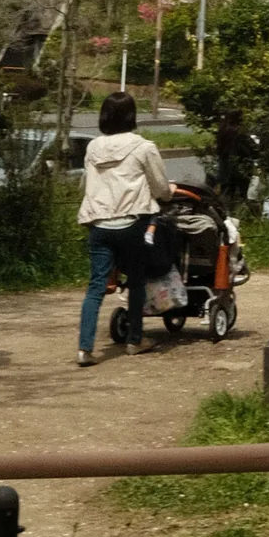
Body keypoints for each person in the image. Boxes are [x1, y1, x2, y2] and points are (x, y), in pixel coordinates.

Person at [77, 89, 172, 365]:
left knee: (96, 285)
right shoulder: (144, 147)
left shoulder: (93, 147)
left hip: (99, 224)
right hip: (132, 223)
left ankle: (84, 349)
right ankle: (134, 340)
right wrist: (165, 196)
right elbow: (160, 187)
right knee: (137, 280)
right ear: (132, 116)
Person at [211, 108, 259, 211]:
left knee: (226, 192)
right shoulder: (241, 132)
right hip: (240, 166)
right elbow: (252, 147)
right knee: (242, 194)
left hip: (224, 166)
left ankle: (225, 214)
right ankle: (240, 215)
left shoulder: (222, 130)